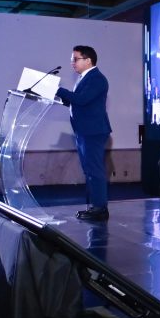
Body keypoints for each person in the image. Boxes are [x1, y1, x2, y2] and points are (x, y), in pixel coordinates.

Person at [56, 45, 112, 222]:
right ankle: (94, 206)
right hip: (84, 131)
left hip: (93, 131)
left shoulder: (96, 78)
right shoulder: (84, 78)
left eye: (75, 59)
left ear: (88, 60)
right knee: (89, 170)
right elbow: (78, 103)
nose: (72, 62)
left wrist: (56, 89)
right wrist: (58, 97)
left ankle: (100, 208)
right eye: (72, 59)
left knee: (94, 170)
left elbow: (82, 99)